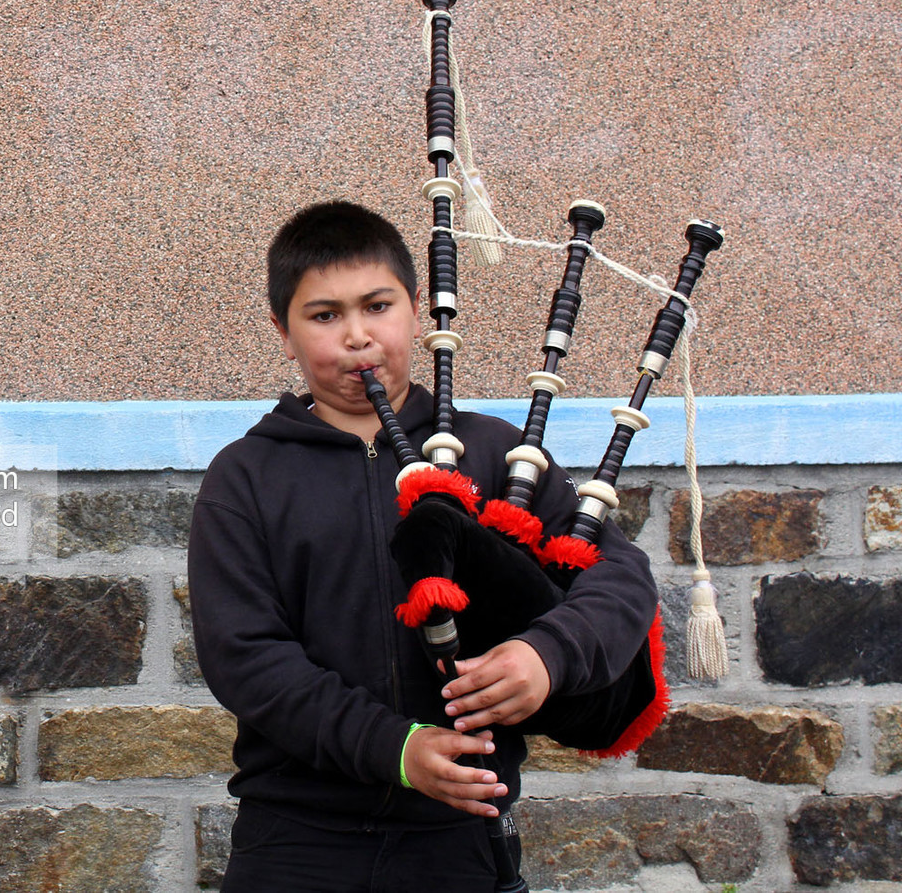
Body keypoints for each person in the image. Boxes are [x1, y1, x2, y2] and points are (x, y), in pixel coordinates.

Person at [187, 201, 657, 892]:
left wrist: (545, 656)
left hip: (459, 837)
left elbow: (619, 577)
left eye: (377, 306)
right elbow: (245, 658)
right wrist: (395, 749)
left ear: (416, 308)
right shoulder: (246, 476)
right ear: (282, 333)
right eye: (323, 316)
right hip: (294, 838)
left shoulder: (499, 454)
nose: (357, 337)